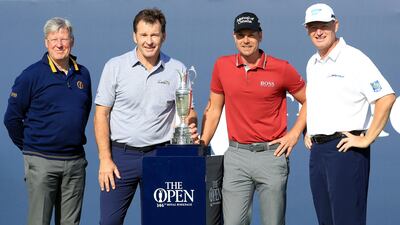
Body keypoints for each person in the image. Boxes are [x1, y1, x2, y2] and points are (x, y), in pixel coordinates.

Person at [200, 12, 307, 225]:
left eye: (251, 34)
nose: (246, 40)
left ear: (260, 35)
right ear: (234, 37)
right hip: (236, 156)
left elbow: (309, 100)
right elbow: (214, 109)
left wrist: (294, 134)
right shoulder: (222, 65)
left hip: (271, 155)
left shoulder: (281, 68)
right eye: (241, 35)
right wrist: (202, 142)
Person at [94, 8, 198, 225]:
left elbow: (188, 111)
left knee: (162, 221)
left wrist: (190, 124)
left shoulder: (177, 69)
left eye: (154, 35)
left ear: (164, 36)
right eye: (144, 35)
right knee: (109, 222)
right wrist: (105, 159)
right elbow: (101, 114)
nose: (149, 41)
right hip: (121, 159)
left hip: (161, 157)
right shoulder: (115, 67)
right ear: (134, 36)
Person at [303, 3, 396, 225]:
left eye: (324, 25)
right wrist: (311, 129)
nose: (319, 31)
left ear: (336, 25)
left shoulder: (354, 58)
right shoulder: (312, 62)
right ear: (307, 30)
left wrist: (366, 139)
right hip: (318, 152)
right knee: (326, 220)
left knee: (347, 220)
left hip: (345, 151)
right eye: (313, 26)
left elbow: (386, 97)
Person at [3, 17, 92, 225]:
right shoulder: (31, 75)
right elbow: (12, 119)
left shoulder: (83, 74)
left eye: (64, 38)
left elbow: (84, 111)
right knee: (39, 222)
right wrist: (30, 149)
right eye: (54, 39)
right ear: (46, 42)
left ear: (72, 41)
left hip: (75, 162)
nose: (59, 44)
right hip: (42, 162)